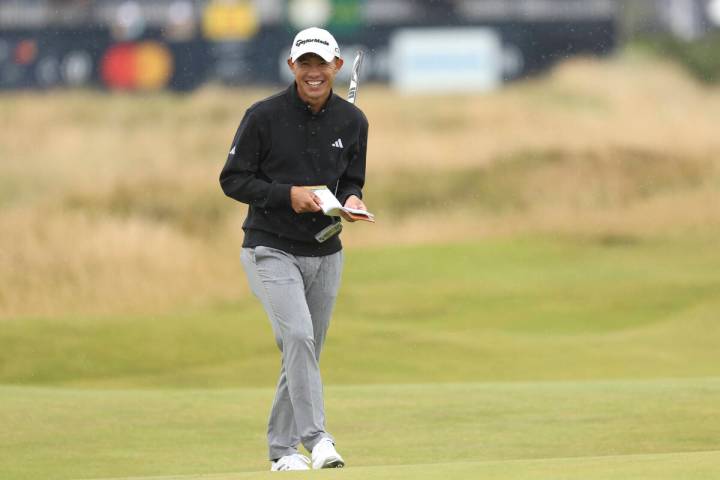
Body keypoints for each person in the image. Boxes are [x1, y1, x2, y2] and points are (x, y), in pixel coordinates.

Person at [219, 27, 368, 471]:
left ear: (336, 67)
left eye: (321, 63)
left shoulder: (353, 121)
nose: (314, 72)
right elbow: (233, 180)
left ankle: (283, 452)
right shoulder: (262, 116)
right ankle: (317, 439)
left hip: (326, 250)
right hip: (270, 247)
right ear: (292, 67)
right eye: (305, 63)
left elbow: (353, 178)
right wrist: (288, 196)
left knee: (303, 351)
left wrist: (354, 199)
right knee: (298, 338)